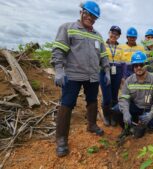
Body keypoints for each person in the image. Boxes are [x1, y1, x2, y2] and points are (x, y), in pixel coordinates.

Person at [51, 1, 110, 157]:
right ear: (82, 12)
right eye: (88, 14)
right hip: (73, 75)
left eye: (94, 17)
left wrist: (107, 70)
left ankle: (91, 125)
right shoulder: (68, 28)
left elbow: (103, 55)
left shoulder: (97, 35)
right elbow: (59, 50)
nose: (90, 18)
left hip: (92, 75)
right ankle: (62, 139)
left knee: (92, 100)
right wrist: (58, 70)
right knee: (67, 104)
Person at [113, 51, 153, 138]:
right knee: (117, 109)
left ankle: (144, 123)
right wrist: (126, 112)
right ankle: (128, 128)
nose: (139, 67)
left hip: (150, 109)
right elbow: (124, 99)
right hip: (136, 107)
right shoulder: (129, 81)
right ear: (133, 67)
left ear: (146, 65)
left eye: (141, 65)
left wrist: (151, 114)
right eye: (135, 65)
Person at [99, 26, 124, 126]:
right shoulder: (103, 45)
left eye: (117, 34)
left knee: (114, 96)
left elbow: (122, 63)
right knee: (106, 97)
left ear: (119, 36)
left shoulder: (120, 48)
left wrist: (122, 76)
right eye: (112, 33)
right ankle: (106, 115)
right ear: (109, 33)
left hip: (117, 73)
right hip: (104, 72)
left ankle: (113, 116)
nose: (114, 35)